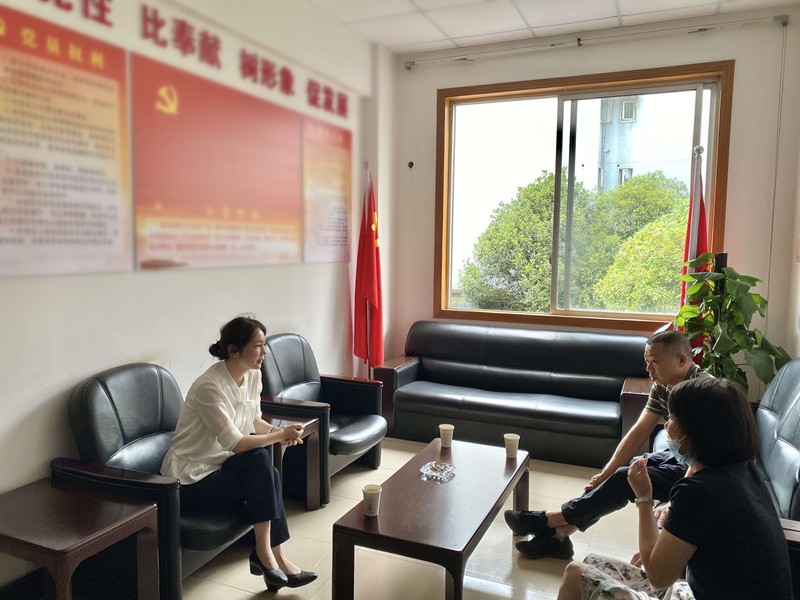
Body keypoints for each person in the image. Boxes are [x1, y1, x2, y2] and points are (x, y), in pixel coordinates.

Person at [556, 377, 792, 600]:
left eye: (672, 418)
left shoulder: (700, 492)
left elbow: (658, 578)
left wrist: (644, 498)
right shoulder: (742, 469)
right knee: (593, 563)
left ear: (694, 432)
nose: (667, 425)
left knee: (575, 574)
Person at [505, 331, 710, 559]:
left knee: (625, 477)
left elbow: (704, 457)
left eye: (655, 362)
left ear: (681, 360)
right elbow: (639, 431)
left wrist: (675, 502)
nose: (648, 369)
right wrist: (605, 473)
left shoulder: (701, 393)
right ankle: (560, 535)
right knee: (634, 465)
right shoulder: (663, 385)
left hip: (707, 469)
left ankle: (549, 521)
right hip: (685, 458)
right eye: (646, 361)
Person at [161, 315, 317, 592]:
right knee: (264, 469)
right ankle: (268, 556)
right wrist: (279, 435)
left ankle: (271, 556)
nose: (264, 352)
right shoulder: (209, 386)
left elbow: (253, 421)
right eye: (257, 346)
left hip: (221, 465)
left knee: (266, 468)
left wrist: (280, 432)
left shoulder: (253, 376)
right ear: (234, 350)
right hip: (189, 480)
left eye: (264, 345)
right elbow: (236, 443)